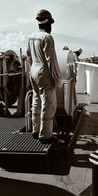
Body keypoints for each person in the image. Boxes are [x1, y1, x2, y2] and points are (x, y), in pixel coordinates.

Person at [26, 9, 61, 143]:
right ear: (48, 23)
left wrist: (33, 69)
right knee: (48, 104)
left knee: (36, 101)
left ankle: (35, 131)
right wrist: (57, 80)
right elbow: (51, 60)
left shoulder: (31, 37)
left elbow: (29, 56)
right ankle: (45, 136)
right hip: (44, 73)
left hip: (33, 71)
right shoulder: (47, 37)